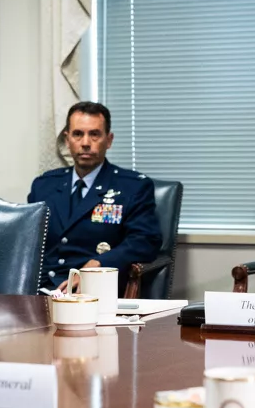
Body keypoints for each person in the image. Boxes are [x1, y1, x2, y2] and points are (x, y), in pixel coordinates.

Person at [28, 102, 162, 292]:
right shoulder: (44, 186)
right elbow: (28, 242)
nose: (85, 143)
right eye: (77, 134)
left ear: (109, 140)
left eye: (94, 134)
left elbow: (145, 241)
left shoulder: (133, 187)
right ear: (67, 140)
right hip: (40, 290)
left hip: (94, 290)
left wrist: (99, 264)